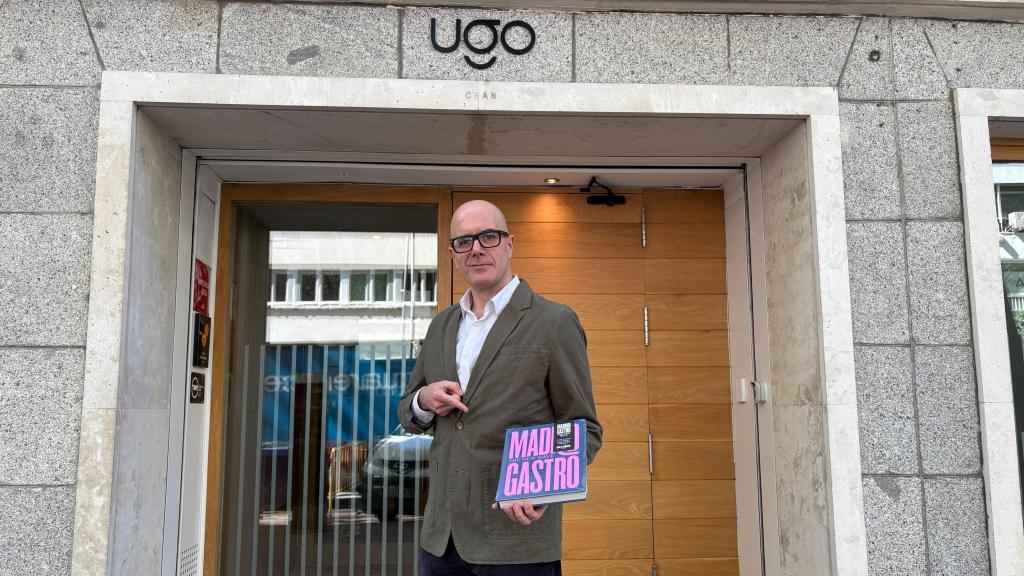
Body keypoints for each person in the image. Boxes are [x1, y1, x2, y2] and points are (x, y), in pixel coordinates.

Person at [398, 199, 602, 575]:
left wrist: (541, 487)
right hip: (441, 540)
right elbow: (409, 412)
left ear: (509, 243)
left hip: (515, 544)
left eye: (487, 237)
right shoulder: (440, 326)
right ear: (453, 254)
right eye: (464, 241)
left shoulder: (554, 321)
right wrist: (424, 401)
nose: (476, 248)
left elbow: (584, 429)